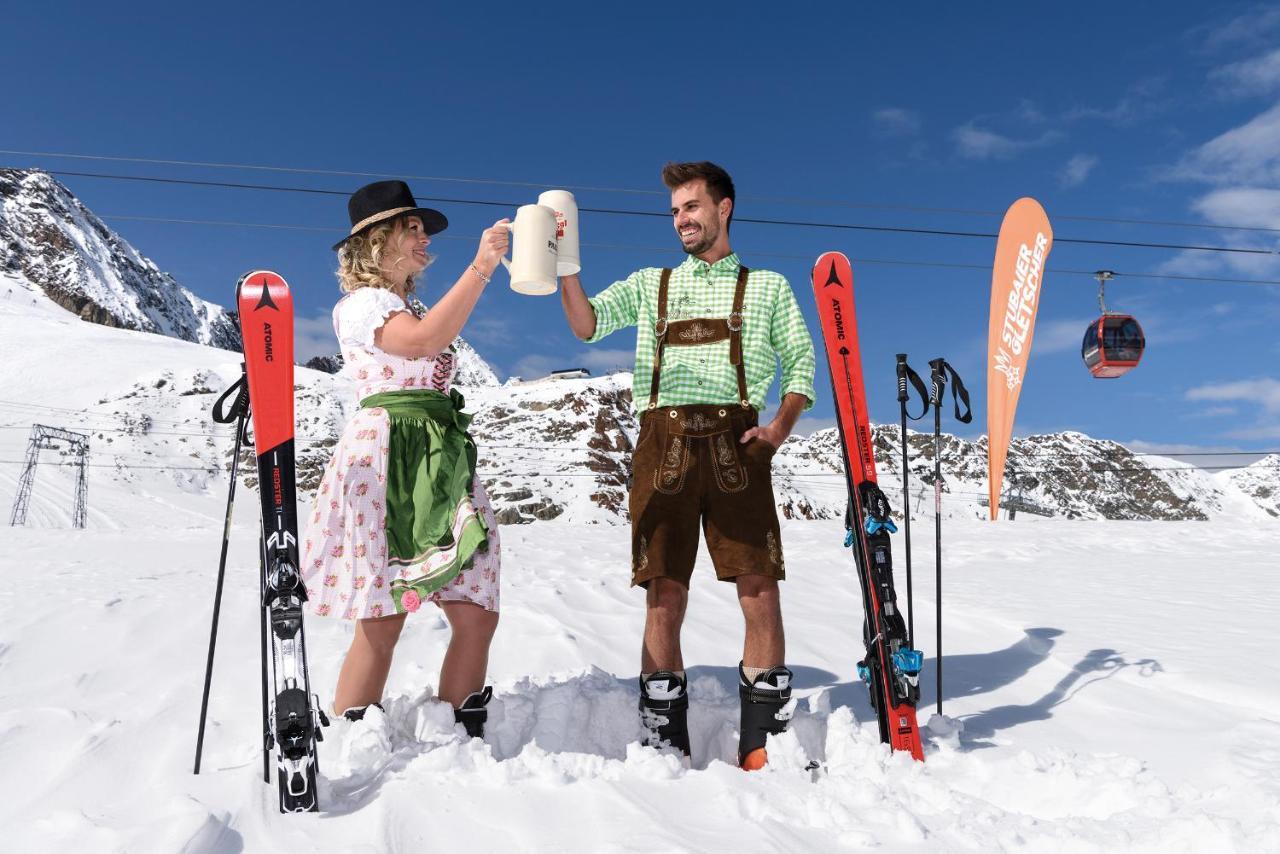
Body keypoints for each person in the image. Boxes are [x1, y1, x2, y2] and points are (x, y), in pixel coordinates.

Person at [559, 161, 816, 769]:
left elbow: (802, 362)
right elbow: (587, 324)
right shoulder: (652, 283)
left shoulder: (769, 287)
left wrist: (777, 429)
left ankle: (763, 742)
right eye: (675, 211)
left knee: (758, 587)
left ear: (723, 209)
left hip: (739, 446)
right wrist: (566, 265)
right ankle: (661, 740)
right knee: (662, 592)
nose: (682, 220)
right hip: (663, 445)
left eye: (692, 207)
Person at [301, 180, 507, 738]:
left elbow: (423, 337)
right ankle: (352, 737)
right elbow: (418, 343)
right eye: (410, 228)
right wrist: (482, 266)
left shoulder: (403, 303)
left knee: (476, 608)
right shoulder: (364, 304)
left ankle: (458, 730)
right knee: (383, 615)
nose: (422, 239)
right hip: (389, 454)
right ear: (375, 241)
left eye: (421, 229)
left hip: (437, 454)